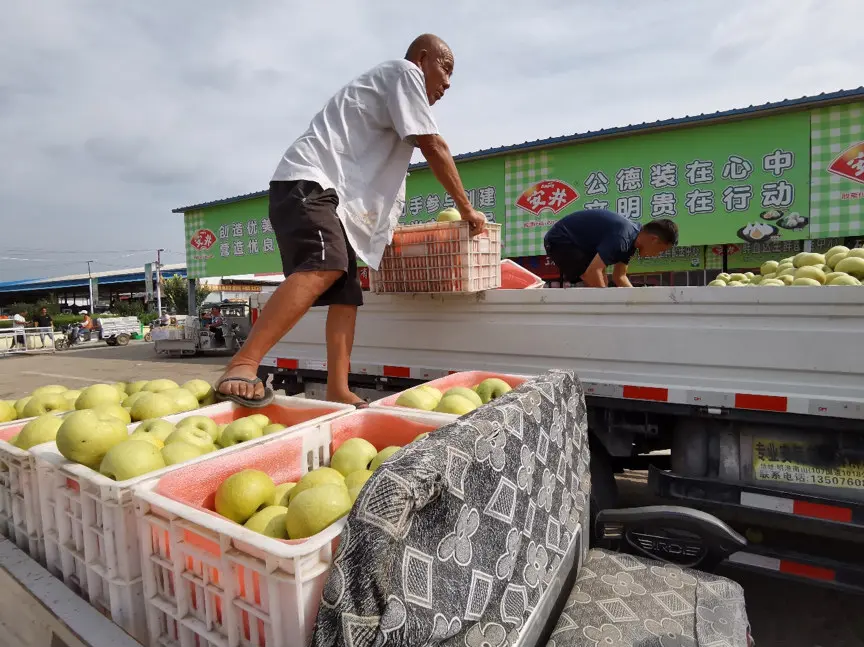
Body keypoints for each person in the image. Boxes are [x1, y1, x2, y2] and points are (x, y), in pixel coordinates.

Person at [213, 33, 487, 408]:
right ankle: (243, 363)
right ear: (422, 59)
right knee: (324, 265)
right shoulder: (404, 72)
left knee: (347, 294)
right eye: (446, 68)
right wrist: (467, 209)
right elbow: (434, 146)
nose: (448, 83)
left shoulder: (393, 101)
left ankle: (337, 388)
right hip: (308, 182)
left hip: (329, 197)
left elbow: (377, 184)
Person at [544, 209, 679, 288]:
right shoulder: (623, 238)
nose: (657, 255)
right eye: (660, 250)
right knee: (590, 276)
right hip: (561, 239)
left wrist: (636, 301)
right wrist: (609, 302)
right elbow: (592, 272)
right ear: (654, 239)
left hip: (580, 245)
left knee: (602, 280)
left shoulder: (632, 242)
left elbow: (619, 276)